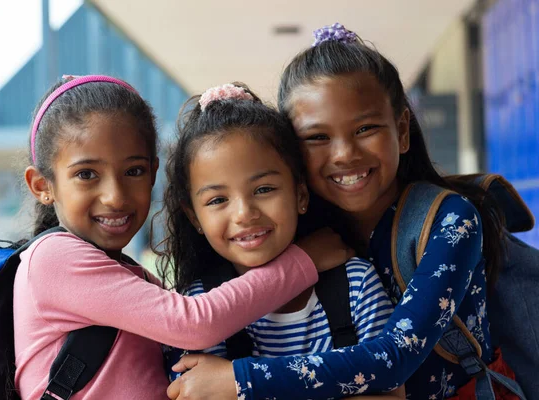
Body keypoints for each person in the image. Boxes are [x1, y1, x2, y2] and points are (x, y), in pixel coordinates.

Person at [166, 25, 518, 400]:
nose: (344, 154)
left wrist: (238, 380)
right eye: (318, 137)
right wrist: (299, 264)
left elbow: (393, 358)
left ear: (401, 129)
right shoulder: (297, 230)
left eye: (365, 128)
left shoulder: (450, 219)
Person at [13, 74, 347, 399]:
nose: (115, 196)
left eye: (134, 171)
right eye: (86, 174)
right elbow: (194, 322)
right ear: (42, 185)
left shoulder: (132, 276)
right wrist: (304, 260)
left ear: (154, 172)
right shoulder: (52, 259)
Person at [159, 83, 402, 398]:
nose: (244, 214)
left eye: (263, 189)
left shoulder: (354, 283)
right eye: (218, 200)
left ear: (300, 194)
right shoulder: (197, 306)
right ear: (195, 218)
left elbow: (392, 393)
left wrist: (241, 384)